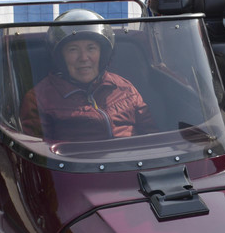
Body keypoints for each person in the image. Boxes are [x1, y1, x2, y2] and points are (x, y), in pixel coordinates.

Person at [20, 9, 154, 141]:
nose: (84, 58)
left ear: (103, 54)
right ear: (60, 57)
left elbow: (152, 136)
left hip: (132, 154)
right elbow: (38, 150)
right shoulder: (39, 99)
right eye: (73, 49)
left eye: (91, 48)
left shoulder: (124, 88)